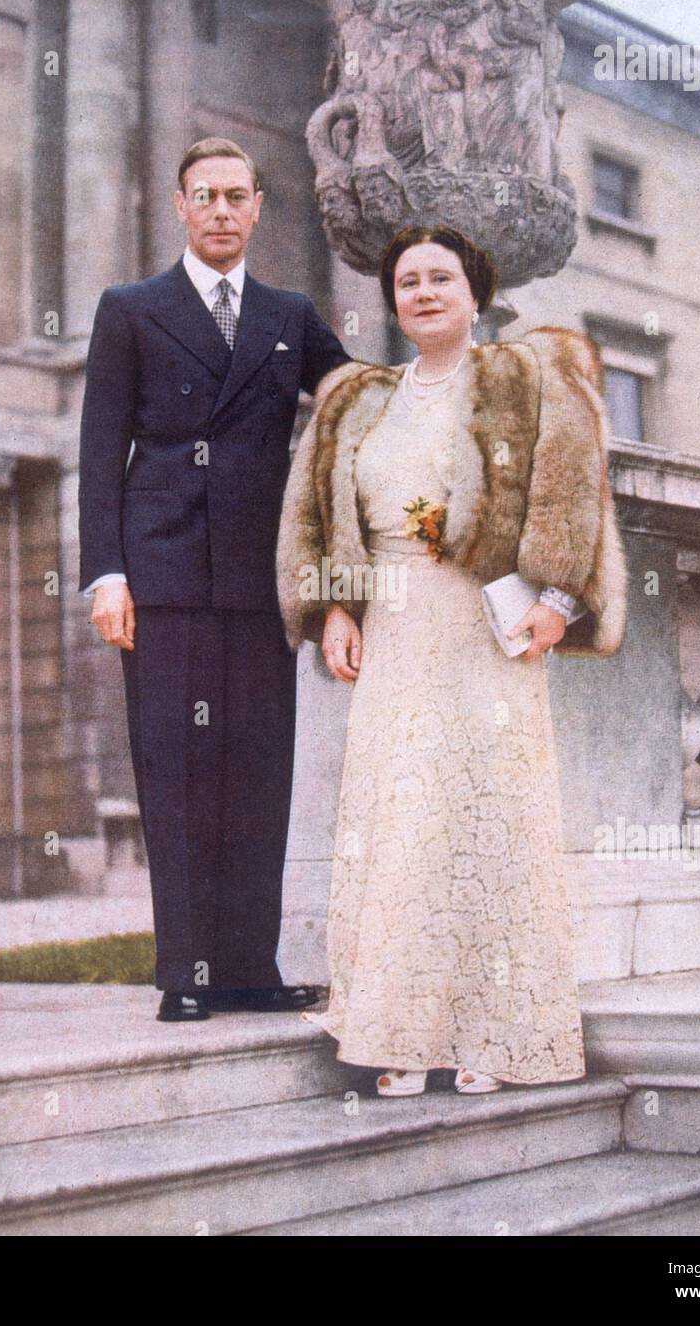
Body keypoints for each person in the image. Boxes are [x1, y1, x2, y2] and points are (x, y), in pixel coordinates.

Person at [276, 223, 627, 1094]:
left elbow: (569, 483)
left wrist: (554, 596)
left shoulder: (519, 377)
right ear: (391, 301)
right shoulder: (359, 399)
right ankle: (398, 1034)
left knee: (489, 817)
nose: (423, 293)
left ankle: (493, 1038)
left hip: (485, 622)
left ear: (475, 294)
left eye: (441, 278)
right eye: (407, 282)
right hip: (392, 626)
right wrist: (333, 608)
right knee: (398, 821)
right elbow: (317, 512)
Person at [78, 137, 351, 1021]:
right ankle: (187, 974)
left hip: (259, 577)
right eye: (207, 195)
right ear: (181, 205)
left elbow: (355, 399)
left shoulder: (289, 313)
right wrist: (105, 574)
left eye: (239, 195)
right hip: (160, 577)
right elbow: (98, 451)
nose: (224, 210)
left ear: (260, 206)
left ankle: (248, 969)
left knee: (257, 771)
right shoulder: (131, 308)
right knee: (178, 769)